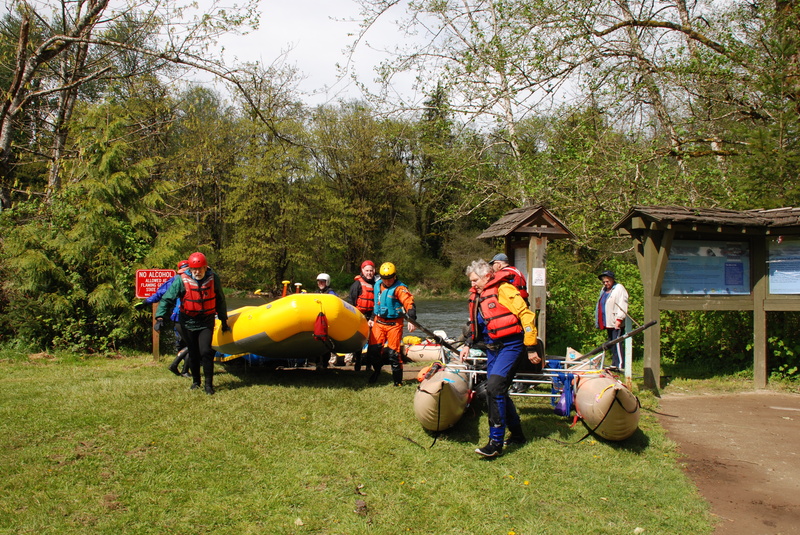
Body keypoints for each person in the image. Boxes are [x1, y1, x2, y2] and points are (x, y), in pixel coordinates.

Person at [459, 259, 539, 458]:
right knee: (492, 391)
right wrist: (468, 344)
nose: (472, 285)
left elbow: (527, 316)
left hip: (511, 345)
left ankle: (495, 443)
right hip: (492, 348)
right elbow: (478, 326)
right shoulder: (480, 297)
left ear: (487, 276)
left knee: (494, 388)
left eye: (475, 280)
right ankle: (518, 434)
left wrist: (531, 347)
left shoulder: (504, 289)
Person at [156, 252, 229, 395]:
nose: (197, 272)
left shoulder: (213, 278)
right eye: (194, 269)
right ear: (190, 268)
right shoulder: (181, 280)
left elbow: (220, 299)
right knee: (194, 352)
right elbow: (167, 298)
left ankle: (209, 385)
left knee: (206, 352)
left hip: (206, 320)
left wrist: (223, 320)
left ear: (205, 267)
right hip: (187, 321)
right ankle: (196, 381)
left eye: (200, 269)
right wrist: (160, 317)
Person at [366, 262, 416, 386]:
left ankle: (397, 381)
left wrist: (411, 319)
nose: (387, 282)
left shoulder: (400, 288)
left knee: (393, 353)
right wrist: (372, 317)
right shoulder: (377, 285)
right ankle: (377, 371)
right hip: (379, 322)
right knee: (373, 351)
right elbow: (377, 304)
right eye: (385, 279)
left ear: (394, 276)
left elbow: (409, 304)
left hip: (394, 323)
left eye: (390, 279)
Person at [595, 270, 629, 370]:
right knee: (611, 342)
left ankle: (620, 365)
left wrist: (619, 319)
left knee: (617, 342)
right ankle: (614, 363)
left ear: (612, 280)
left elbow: (623, 304)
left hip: (616, 320)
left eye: (607, 281)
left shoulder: (619, 288)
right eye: (604, 282)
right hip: (608, 321)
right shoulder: (604, 290)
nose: (606, 283)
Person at [347, 260, 376, 371]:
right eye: (367, 270)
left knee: (372, 342)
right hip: (359, 315)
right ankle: (357, 363)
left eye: (371, 270)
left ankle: (369, 365)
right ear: (362, 271)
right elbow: (351, 303)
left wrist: (373, 317)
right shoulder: (357, 284)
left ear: (374, 271)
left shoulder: (377, 284)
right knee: (359, 341)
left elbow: (377, 303)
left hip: (372, 316)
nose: (369, 273)